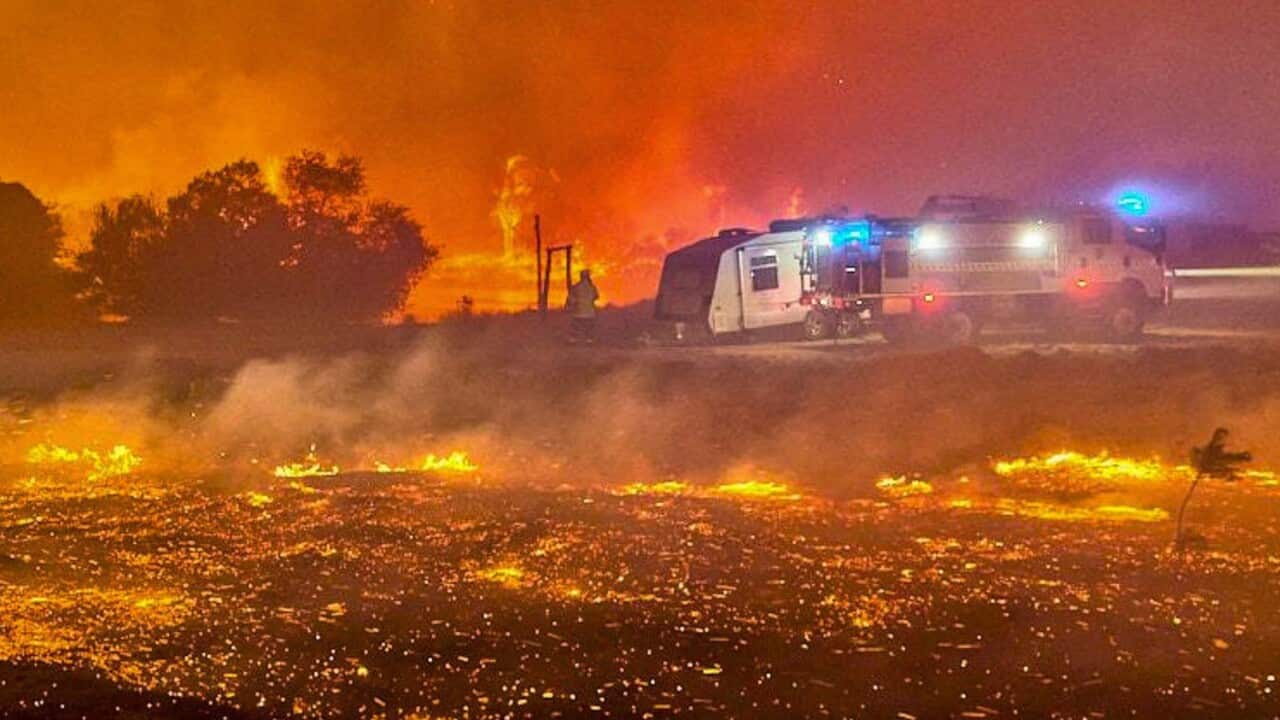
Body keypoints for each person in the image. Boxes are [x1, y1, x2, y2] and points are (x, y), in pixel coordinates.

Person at [566, 269, 599, 343]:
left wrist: (570, 305)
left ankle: (574, 339)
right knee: (588, 327)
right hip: (590, 311)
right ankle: (589, 340)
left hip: (579, 311)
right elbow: (596, 296)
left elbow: (571, 298)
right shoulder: (592, 287)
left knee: (576, 326)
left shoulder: (576, 287)